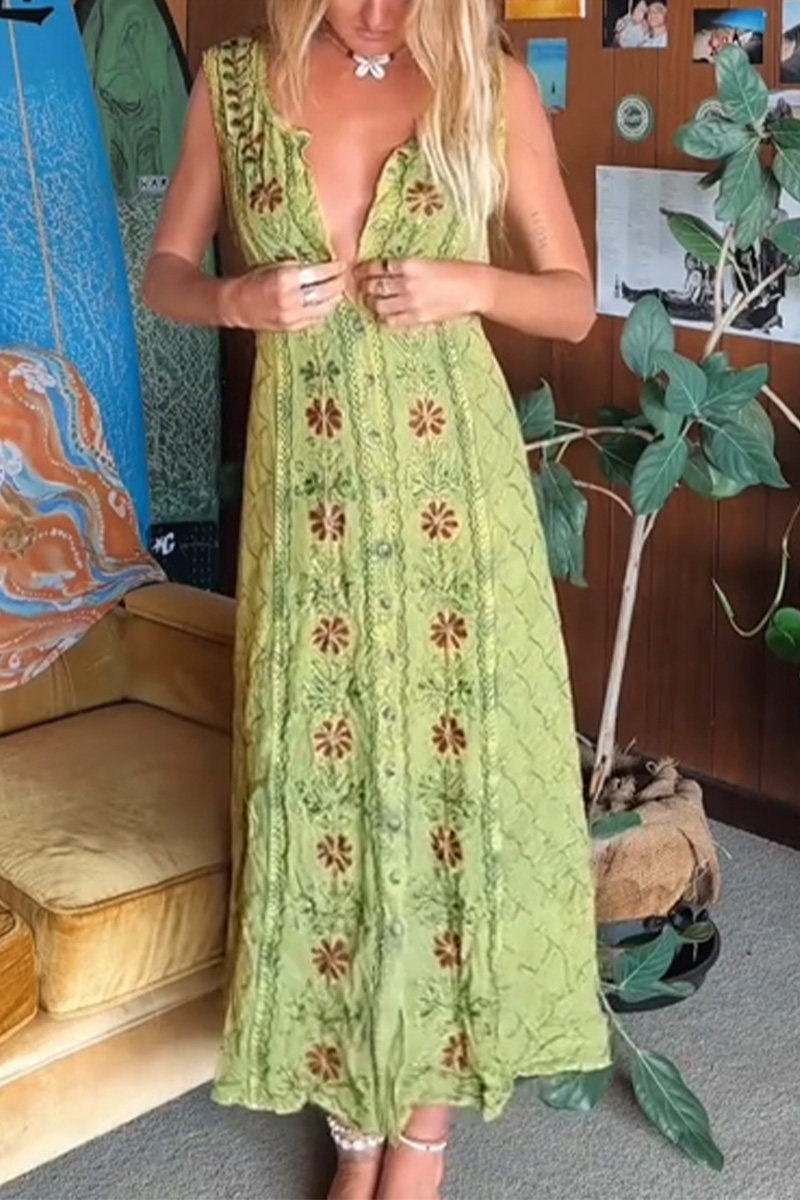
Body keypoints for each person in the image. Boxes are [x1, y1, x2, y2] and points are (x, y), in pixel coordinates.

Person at [142, 2, 609, 1197]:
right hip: (309, 510)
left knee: (446, 790)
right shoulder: (232, 87)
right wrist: (235, 303)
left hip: (455, 505)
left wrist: (468, 283)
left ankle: (420, 1146)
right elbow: (166, 274)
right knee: (328, 793)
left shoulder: (489, 86)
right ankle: (356, 1130)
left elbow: (570, 299)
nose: (381, 12)